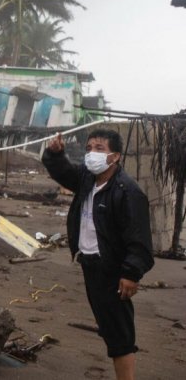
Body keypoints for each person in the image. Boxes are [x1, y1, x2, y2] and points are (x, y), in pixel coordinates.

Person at [42, 128, 154, 380]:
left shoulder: (127, 191)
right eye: (89, 148)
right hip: (90, 263)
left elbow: (140, 239)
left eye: (99, 149)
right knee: (108, 325)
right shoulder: (87, 179)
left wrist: (131, 273)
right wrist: (55, 154)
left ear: (114, 157)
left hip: (113, 270)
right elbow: (63, 172)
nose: (92, 153)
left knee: (119, 334)